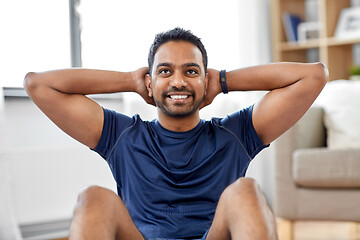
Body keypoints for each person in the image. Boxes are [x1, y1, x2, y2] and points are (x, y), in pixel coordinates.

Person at [24, 27, 328, 240]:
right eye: (165, 71)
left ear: (205, 81)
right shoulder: (121, 134)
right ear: (150, 81)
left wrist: (224, 80)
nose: (178, 81)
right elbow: (38, 84)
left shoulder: (238, 133)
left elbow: (313, 75)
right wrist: (129, 80)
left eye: (191, 71)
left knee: (245, 190)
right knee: (93, 197)